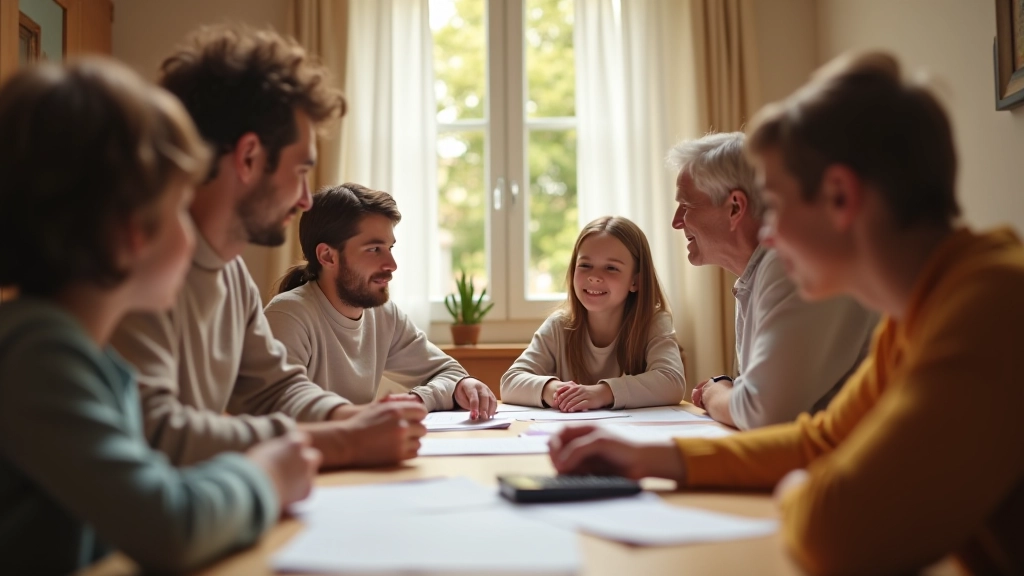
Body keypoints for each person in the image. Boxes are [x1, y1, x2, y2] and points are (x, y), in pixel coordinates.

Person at [549, 51, 1024, 575]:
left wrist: (802, 485)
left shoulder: (991, 306)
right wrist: (651, 459)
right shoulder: (923, 308)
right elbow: (820, 439)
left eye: (776, 204)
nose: (768, 234)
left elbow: (835, 532)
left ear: (840, 197)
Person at [0, 58, 320, 574]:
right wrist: (265, 475)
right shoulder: (40, 355)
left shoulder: (79, 357)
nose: (192, 230)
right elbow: (170, 523)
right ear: (133, 233)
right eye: (178, 207)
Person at [111, 25, 426, 468]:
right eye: (301, 171)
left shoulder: (230, 269)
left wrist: (350, 417)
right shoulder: (138, 264)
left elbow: (271, 386)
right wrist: (341, 441)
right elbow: (155, 434)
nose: (303, 199)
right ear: (248, 157)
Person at [668, 132, 877, 429]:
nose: (676, 221)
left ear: (735, 208)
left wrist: (717, 394)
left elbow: (762, 414)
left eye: (686, 206)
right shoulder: (760, 269)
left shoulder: (790, 263)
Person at [264, 183, 498, 419]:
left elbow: (449, 373)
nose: (392, 265)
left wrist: (417, 399)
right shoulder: (288, 316)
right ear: (327, 256)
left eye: (390, 247)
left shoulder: (383, 314)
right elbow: (281, 408)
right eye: (374, 249)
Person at [501, 216, 686, 411]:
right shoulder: (559, 326)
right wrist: (555, 390)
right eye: (585, 265)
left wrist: (600, 394)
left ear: (635, 281)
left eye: (611, 268)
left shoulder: (653, 323)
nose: (595, 277)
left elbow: (671, 382)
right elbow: (510, 382)